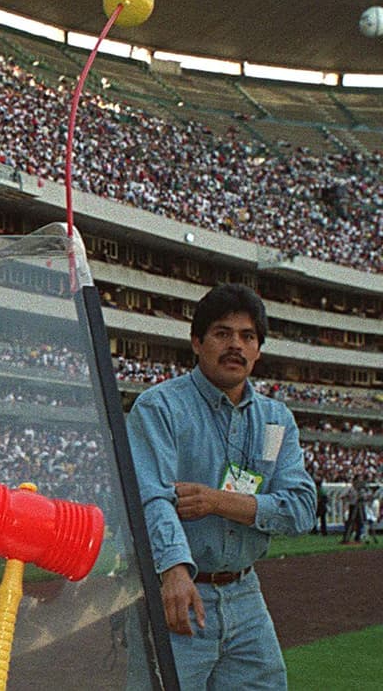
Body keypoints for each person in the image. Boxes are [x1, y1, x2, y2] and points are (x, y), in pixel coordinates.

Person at [127, 283, 315, 690]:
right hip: (178, 592)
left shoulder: (276, 420)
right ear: (197, 342)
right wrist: (173, 571)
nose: (236, 345)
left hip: (246, 596)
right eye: (222, 333)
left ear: (259, 350)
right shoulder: (160, 407)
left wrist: (218, 501)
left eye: (248, 336)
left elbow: (301, 510)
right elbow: (150, 497)